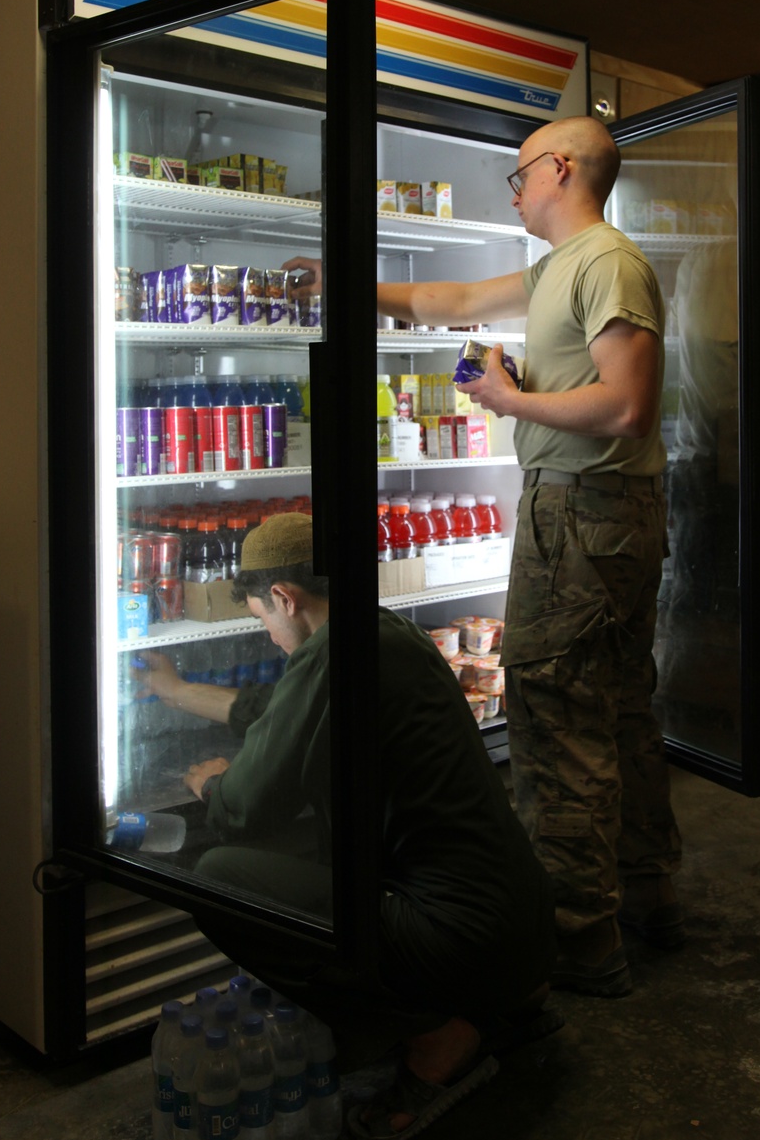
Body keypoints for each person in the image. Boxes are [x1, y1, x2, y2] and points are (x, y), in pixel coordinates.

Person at [284, 114, 682, 998]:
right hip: (596, 514)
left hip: (582, 515)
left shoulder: (608, 262)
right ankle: (650, 894)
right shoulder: (559, 269)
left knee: (555, 715)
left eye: (519, 175)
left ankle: (579, 935)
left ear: (562, 168)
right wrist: (349, 283)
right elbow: (449, 304)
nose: (515, 190)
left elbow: (626, 408)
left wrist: (508, 398)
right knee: (615, 706)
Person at [141, 512, 558, 1140]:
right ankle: (487, 1005)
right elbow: (277, 712)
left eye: (263, 620)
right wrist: (175, 691)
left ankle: (437, 1041)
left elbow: (246, 810)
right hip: (519, 930)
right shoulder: (381, 629)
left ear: (285, 598)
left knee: (221, 878)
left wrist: (210, 785)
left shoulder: (332, 655)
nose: (271, 637)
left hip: (456, 936)